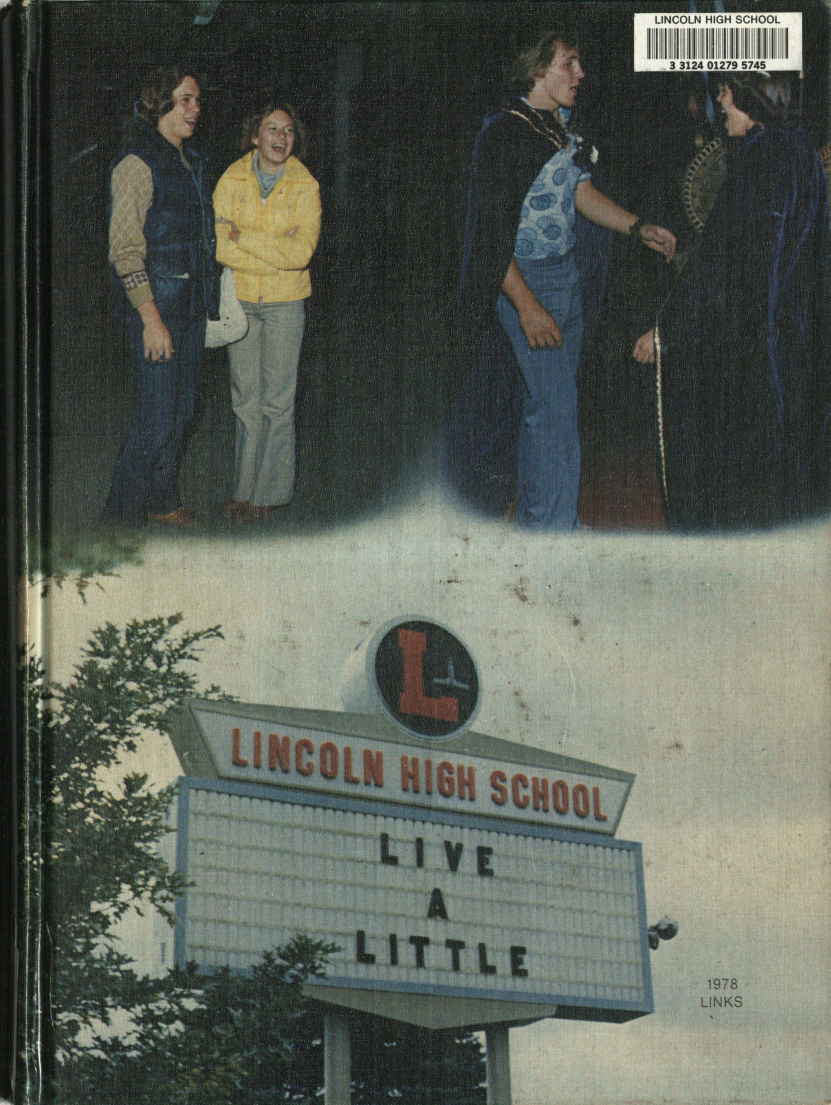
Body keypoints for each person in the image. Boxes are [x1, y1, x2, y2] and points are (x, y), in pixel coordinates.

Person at [448, 27, 676, 532]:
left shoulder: (563, 127)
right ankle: (555, 531)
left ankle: (540, 519)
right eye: (569, 63)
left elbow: (581, 195)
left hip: (565, 276)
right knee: (555, 413)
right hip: (524, 283)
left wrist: (638, 227)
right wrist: (527, 306)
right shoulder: (505, 133)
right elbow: (488, 236)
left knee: (548, 407)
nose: (581, 74)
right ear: (537, 70)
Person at [633, 73, 831, 531]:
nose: (718, 101)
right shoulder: (797, 149)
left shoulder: (762, 161)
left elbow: (725, 262)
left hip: (758, 344)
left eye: (724, 90)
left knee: (747, 476)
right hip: (795, 335)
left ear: (747, 94)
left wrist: (667, 330)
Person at [104, 65, 219, 528]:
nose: (195, 108)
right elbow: (125, 252)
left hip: (191, 309)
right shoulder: (136, 164)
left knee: (183, 411)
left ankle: (162, 500)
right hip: (157, 311)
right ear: (159, 104)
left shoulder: (191, 161)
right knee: (155, 420)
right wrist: (151, 319)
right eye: (185, 99)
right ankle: (118, 521)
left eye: (197, 100)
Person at [213, 101, 321, 524]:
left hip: (285, 304)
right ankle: (243, 490)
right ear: (255, 136)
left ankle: (268, 495)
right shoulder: (231, 177)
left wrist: (246, 239)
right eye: (272, 129)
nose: (280, 137)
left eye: (288, 130)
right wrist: (270, 244)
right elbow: (220, 246)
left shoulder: (304, 184)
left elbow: (300, 254)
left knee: (278, 402)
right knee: (245, 400)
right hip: (240, 302)